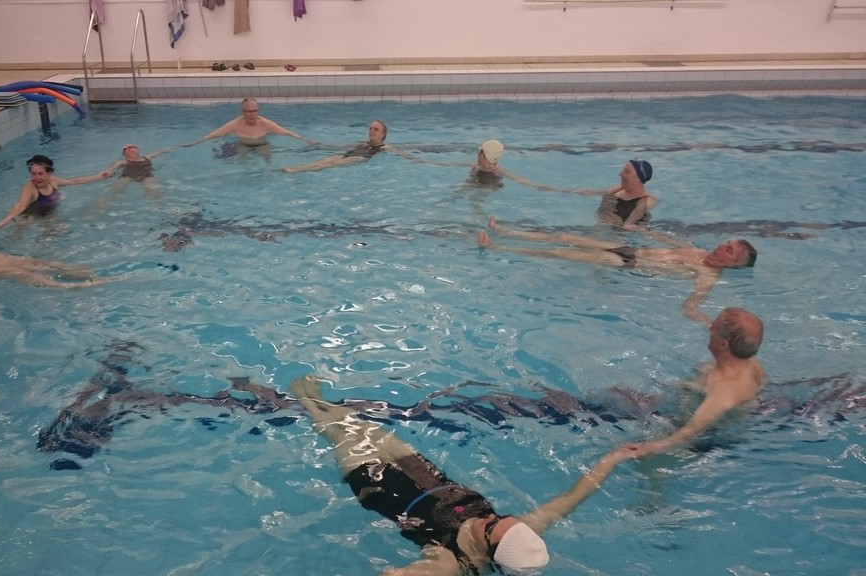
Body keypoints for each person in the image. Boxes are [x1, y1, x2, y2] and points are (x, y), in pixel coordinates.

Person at [291, 374, 632, 576]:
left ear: (490, 550)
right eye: (501, 517)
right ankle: (317, 400)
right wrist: (616, 457)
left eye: (490, 527)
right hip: (422, 472)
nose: (489, 517)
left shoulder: (452, 561)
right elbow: (573, 496)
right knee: (361, 426)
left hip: (379, 485)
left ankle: (306, 401)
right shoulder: (515, 532)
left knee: (337, 432)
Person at [479, 216, 757, 325]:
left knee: (559, 253)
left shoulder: (708, 276)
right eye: (726, 243)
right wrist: (643, 230)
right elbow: (670, 242)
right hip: (630, 249)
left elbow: (691, 307)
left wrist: (712, 325)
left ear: (733, 264)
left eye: (728, 250)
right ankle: (506, 231)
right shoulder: (698, 251)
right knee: (564, 236)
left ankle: (496, 247)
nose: (721, 246)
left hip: (626, 263)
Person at [622, 307, 767, 458]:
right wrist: (693, 312)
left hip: (702, 440)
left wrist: (651, 448)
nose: (710, 329)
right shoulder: (747, 361)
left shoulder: (725, 389)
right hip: (700, 415)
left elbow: (693, 430)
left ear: (724, 344)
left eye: (714, 327)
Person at [0, 154, 108, 228]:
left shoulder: (54, 181)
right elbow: (20, 204)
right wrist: (6, 219)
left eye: (40, 173)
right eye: (33, 174)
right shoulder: (30, 187)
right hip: (28, 219)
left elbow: (74, 181)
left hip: (49, 215)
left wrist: (99, 177)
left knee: (59, 230)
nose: (36, 178)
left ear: (49, 173)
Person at [184, 98, 315, 160]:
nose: (252, 114)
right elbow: (214, 135)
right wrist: (195, 143)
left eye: (254, 111)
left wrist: (307, 140)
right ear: (243, 112)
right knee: (242, 163)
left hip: (262, 145)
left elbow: (287, 132)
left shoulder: (265, 123)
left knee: (268, 162)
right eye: (248, 111)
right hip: (243, 145)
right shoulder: (235, 124)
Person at [549, 159, 659, 229]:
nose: (620, 174)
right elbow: (592, 192)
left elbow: (634, 224)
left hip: (614, 235)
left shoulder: (648, 201)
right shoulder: (615, 190)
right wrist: (558, 190)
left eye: (626, 172)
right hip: (599, 227)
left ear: (638, 178)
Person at [282, 120, 416, 174]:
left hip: (360, 157)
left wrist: (414, 159)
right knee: (326, 160)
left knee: (330, 164)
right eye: (370, 128)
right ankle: (297, 168)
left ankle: (296, 171)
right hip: (350, 154)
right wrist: (321, 145)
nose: (372, 131)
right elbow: (339, 146)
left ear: (383, 134)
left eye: (376, 129)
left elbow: (401, 153)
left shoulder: (384, 147)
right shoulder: (362, 143)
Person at [87, 144, 175, 215]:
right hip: (127, 176)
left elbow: (161, 151)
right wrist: (107, 173)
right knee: (112, 194)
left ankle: (162, 210)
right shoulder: (121, 162)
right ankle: (92, 213)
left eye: (133, 148)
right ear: (124, 154)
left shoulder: (147, 157)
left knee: (156, 195)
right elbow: (109, 170)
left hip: (146, 176)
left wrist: (179, 146)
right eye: (128, 149)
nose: (131, 149)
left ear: (138, 151)